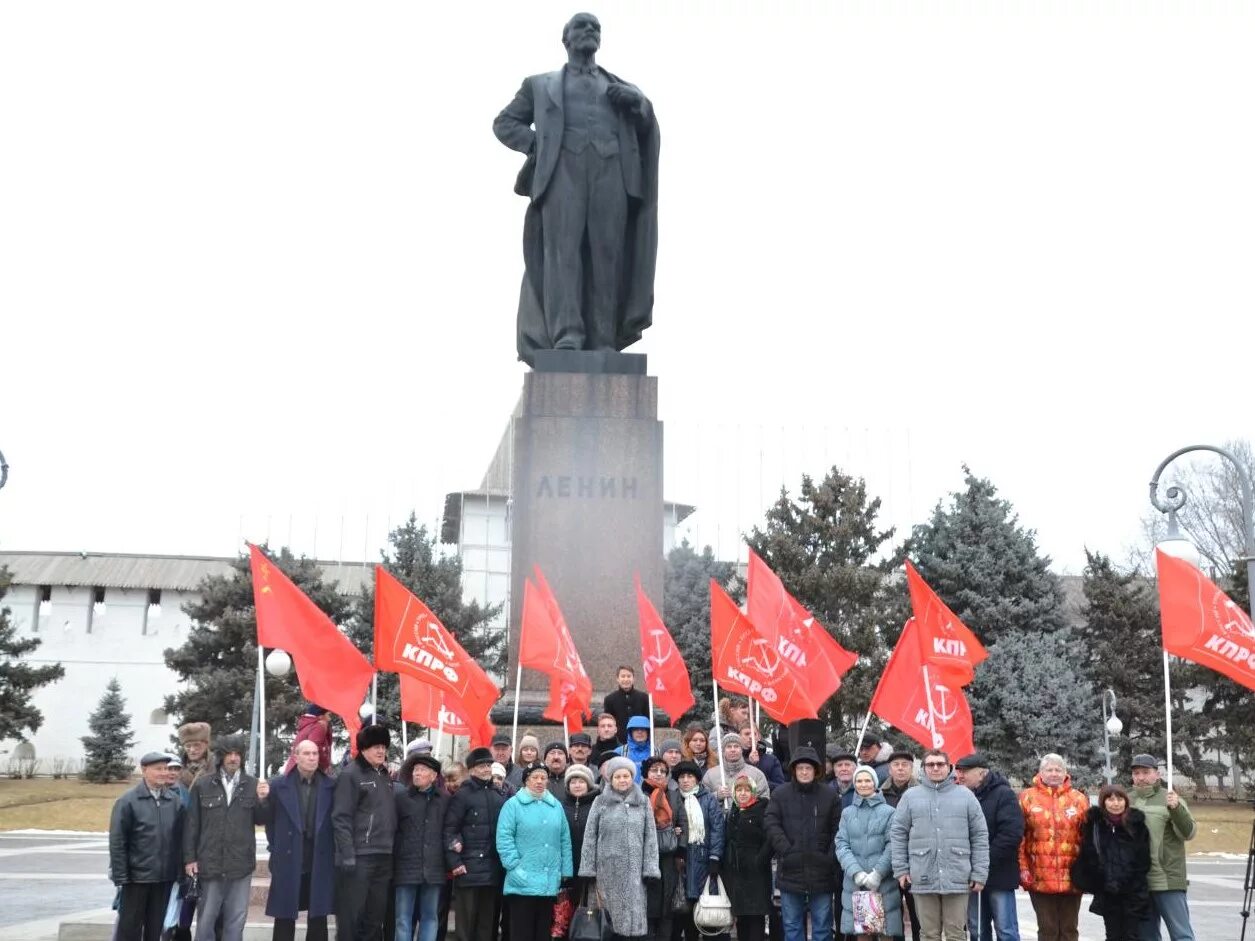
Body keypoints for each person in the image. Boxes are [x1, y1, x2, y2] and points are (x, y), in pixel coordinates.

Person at [493, 12, 660, 366]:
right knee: (562, 254)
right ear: (565, 38)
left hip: (611, 174)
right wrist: (538, 146)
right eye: (582, 26)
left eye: (595, 27)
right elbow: (504, 122)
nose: (590, 31)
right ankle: (567, 334)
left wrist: (640, 104)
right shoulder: (539, 85)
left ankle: (602, 338)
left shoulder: (620, 87)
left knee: (607, 255)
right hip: (561, 174)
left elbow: (646, 121)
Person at [889, 749, 989, 941]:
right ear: (924, 768)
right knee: (928, 934)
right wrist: (901, 869)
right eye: (930, 764)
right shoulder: (910, 797)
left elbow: (980, 836)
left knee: (956, 934)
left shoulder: (966, 796)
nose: (935, 768)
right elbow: (898, 834)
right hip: (922, 873)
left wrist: (979, 873)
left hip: (958, 875)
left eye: (940, 764)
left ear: (949, 767)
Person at [183, 735, 269, 941]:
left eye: (237, 754)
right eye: (229, 754)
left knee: (236, 918)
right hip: (210, 863)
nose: (233, 758)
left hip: (240, 864)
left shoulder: (252, 784)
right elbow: (192, 824)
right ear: (221, 757)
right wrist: (190, 859)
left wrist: (263, 800)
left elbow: (260, 820)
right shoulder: (203, 785)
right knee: (207, 918)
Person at [580, 755, 661, 940]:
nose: (622, 780)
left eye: (626, 776)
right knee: (607, 926)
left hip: (635, 875)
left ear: (632, 777)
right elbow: (590, 837)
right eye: (618, 776)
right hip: (605, 873)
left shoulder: (643, 803)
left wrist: (650, 868)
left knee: (632, 927)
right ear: (610, 779)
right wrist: (588, 869)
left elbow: (650, 838)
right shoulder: (600, 802)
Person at [765, 747, 840, 941]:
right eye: (800, 768)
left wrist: (829, 856)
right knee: (792, 927)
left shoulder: (829, 795)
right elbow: (771, 824)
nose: (804, 772)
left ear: (816, 770)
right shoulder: (781, 794)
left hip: (822, 872)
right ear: (794, 770)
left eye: (808, 768)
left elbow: (838, 829)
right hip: (790, 870)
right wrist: (786, 850)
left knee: (822, 927)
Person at [265, 739, 336, 941]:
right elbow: (267, 820)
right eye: (307, 754)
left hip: (319, 858)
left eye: (315, 754)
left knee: (318, 916)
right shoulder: (278, 785)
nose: (312, 758)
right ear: (296, 757)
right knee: (285, 916)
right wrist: (276, 847)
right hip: (289, 857)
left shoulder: (330, 785)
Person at [109, 752, 184, 941]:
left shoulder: (174, 801)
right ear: (144, 770)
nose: (163, 773)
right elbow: (118, 842)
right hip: (136, 878)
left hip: (163, 878)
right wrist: (121, 876)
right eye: (158, 769)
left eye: (166, 769)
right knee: (129, 929)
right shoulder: (128, 801)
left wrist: (179, 871)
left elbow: (180, 839)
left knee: (155, 928)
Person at [333, 723, 397, 941]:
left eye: (383, 746)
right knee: (352, 915)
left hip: (384, 856)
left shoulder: (385, 775)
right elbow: (341, 817)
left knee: (375, 916)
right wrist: (347, 853)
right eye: (375, 746)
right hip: (360, 857)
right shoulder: (350, 774)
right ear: (363, 748)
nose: (381, 751)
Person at [497, 763, 573, 941]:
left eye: (543, 778)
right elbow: (504, 839)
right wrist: (514, 867)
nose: (539, 781)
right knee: (521, 932)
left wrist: (566, 872)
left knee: (543, 932)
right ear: (526, 781)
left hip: (549, 882)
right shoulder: (513, 805)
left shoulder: (556, 807)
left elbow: (565, 840)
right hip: (522, 881)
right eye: (534, 778)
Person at [1017, 753, 1090, 941]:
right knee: (1047, 929)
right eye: (1049, 769)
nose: (1054, 773)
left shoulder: (1079, 799)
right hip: (1039, 876)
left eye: (1058, 769)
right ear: (1041, 773)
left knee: (1069, 930)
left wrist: (1089, 869)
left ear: (1065, 773)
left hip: (1072, 876)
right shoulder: (1027, 798)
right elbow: (1020, 838)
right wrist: (1023, 868)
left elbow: (1088, 837)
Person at [954, 753, 1022, 941]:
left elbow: (1011, 835)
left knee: (1006, 930)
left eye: (965, 771)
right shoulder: (961, 796)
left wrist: (982, 862)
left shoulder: (1004, 794)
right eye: (959, 771)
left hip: (999, 874)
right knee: (977, 930)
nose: (960, 776)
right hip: (971, 876)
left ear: (982, 773)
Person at [1128, 754, 1196, 941]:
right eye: (1136, 773)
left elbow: (1189, 833)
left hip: (1167, 880)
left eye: (1146, 772)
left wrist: (1176, 810)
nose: (1141, 777)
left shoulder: (1171, 799)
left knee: (1181, 935)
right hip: (1140, 883)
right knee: (1146, 936)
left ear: (1157, 774)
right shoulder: (1125, 799)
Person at [1072, 784, 1151, 941]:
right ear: (1104, 802)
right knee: (1112, 935)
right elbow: (1088, 854)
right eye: (1111, 799)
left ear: (1126, 801)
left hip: (1132, 894)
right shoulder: (1094, 825)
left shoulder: (1136, 824)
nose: (1116, 803)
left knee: (1131, 935)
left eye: (1120, 799)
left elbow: (1143, 860)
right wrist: (1099, 880)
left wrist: (1133, 885)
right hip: (1108, 893)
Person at [444, 746, 508, 941]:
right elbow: (449, 830)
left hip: (492, 870)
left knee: (487, 927)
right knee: (465, 928)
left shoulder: (498, 796)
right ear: (471, 769)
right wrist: (455, 863)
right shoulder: (462, 795)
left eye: (489, 765)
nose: (486, 769)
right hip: (468, 870)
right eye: (481, 766)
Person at [836, 766, 903, 941]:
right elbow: (841, 844)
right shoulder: (847, 813)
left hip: (883, 884)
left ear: (875, 783)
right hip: (856, 885)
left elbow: (893, 845)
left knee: (885, 933)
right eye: (859, 780)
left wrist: (878, 873)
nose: (863, 784)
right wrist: (856, 872)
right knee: (863, 935)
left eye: (867, 780)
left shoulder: (889, 812)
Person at [393, 751, 448, 941]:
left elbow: (449, 831)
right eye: (415, 770)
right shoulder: (402, 798)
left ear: (433, 776)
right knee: (402, 918)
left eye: (422, 770)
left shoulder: (445, 800)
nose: (416, 773)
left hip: (434, 867)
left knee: (430, 916)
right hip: (405, 866)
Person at [672, 760, 726, 941]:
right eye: (681, 777)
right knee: (685, 914)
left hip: (705, 860)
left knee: (707, 912)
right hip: (682, 862)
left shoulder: (708, 799)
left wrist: (715, 857)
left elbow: (718, 828)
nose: (686, 780)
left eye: (690, 776)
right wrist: (675, 831)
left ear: (696, 779)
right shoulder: (672, 798)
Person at [640, 757, 683, 941]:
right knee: (648, 908)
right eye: (654, 770)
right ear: (646, 773)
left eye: (662, 771)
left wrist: (677, 833)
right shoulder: (638, 794)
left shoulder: (673, 794)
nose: (658, 774)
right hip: (645, 857)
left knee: (667, 909)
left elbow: (683, 820)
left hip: (669, 858)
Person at [725, 773, 772, 941]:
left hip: (756, 873)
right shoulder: (734, 811)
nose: (743, 793)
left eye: (746, 790)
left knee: (756, 918)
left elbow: (770, 839)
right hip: (737, 873)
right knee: (742, 919)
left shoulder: (761, 809)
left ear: (753, 791)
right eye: (739, 790)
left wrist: (759, 859)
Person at [879, 750, 919, 941]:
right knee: (892, 917)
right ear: (889, 769)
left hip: (916, 863)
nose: (901, 768)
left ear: (912, 768)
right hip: (889, 863)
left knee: (918, 915)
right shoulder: (879, 794)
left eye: (905, 764)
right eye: (896, 765)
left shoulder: (922, 792)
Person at [561, 764, 599, 907]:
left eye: (581, 781)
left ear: (588, 784)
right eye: (573, 781)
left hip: (590, 870)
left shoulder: (597, 805)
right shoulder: (560, 806)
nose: (577, 785)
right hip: (566, 868)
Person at [703, 733, 768, 801]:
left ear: (741, 749)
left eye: (736, 746)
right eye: (729, 746)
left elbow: (764, 798)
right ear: (723, 751)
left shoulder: (756, 774)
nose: (733, 750)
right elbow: (702, 800)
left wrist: (747, 802)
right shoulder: (710, 775)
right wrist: (716, 795)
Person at [602, 667, 652, 744]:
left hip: (640, 740)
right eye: (623, 676)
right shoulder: (610, 699)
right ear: (617, 679)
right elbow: (608, 722)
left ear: (633, 679)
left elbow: (648, 720)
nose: (626, 679)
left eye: (629, 676)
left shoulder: (643, 698)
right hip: (618, 741)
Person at [284, 705, 332, 774]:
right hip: (306, 773)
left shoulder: (308, 725)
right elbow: (314, 747)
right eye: (328, 715)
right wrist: (325, 764)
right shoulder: (318, 727)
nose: (329, 719)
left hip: (295, 770)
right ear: (321, 716)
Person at [739, 724, 785, 791]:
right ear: (739, 737)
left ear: (759, 737)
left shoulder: (771, 760)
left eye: (754, 734)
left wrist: (761, 782)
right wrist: (749, 763)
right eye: (747, 734)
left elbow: (780, 788)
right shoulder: (735, 760)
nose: (751, 737)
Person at [178, 722, 212, 791]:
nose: (192, 750)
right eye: (188, 746)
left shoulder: (218, 765)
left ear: (206, 745)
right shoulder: (177, 768)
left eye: (197, 745)